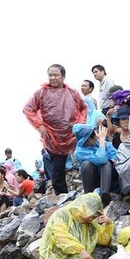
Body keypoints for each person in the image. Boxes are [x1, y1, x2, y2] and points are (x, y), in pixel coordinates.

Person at [23, 64, 87, 195]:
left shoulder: (73, 93)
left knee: (85, 162)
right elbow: (28, 109)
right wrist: (39, 126)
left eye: (56, 75)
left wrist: (80, 124)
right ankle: (62, 196)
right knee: (57, 169)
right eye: (50, 75)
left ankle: (89, 190)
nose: (52, 78)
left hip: (72, 135)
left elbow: (83, 108)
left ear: (63, 76)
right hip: (52, 137)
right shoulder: (40, 93)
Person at [73, 123, 118, 194]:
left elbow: (114, 152)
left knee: (106, 164)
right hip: (94, 179)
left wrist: (112, 159)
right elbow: (100, 159)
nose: (97, 138)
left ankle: (104, 194)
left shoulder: (98, 142)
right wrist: (102, 141)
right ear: (89, 139)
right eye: (95, 136)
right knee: (86, 164)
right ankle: (88, 194)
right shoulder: (79, 152)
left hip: (108, 177)